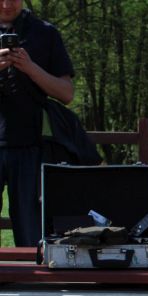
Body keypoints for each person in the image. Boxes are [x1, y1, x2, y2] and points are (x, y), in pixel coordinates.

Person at [0, 0, 74, 246]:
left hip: (30, 146)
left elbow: (67, 93)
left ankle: (29, 283)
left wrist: (30, 68)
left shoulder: (44, 32)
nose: (7, 4)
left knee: (30, 231)